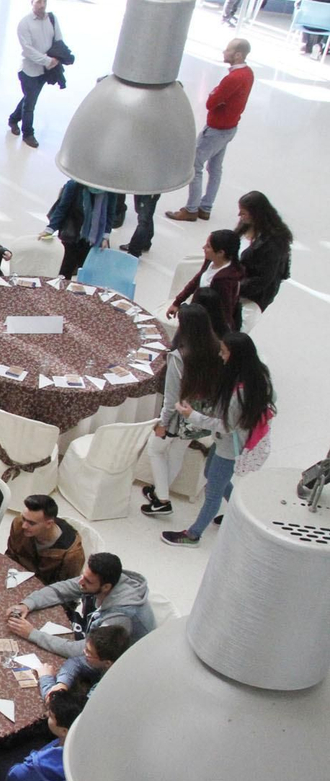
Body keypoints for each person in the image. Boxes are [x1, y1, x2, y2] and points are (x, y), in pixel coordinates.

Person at [162, 331, 274, 547]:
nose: (221, 356)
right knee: (211, 475)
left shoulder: (238, 395)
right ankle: (235, 511)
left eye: (224, 352)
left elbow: (226, 425)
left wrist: (191, 416)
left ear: (236, 355)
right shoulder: (258, 375)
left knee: (212, 493)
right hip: (233, 441)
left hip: (229, 446)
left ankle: (193, 535)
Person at [142, 305, 226, 517]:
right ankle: (160, 491)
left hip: (179, 416)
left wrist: (162, 422)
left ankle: (162, 499)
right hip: (201, 417)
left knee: (155, 450)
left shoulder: (179, 357)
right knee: (177, 452)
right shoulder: (217, 349)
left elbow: (171, 398)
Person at [6, 551, 156, 658]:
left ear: (106, 587)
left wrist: (32, 633)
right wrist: (27, 604)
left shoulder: (121, 618)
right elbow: (62, 589)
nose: (80, 583)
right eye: (83, 576)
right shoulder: (100, 579)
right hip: (85, 631)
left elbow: (82, 650)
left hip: (112, 662)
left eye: (87, 581)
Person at [167, 40, 254, 223]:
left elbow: (211, 102)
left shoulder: (233, 78)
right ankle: (206, 207)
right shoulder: (248, 74)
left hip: (216, 130)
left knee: (195, 166)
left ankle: (191, 208)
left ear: (238, 54)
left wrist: (214, 97)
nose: (224, 51)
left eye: (228, 49)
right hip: (229, 128)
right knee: (215, 168)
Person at [7, 0, 61, 149]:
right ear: (32, 2)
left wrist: (57, 57)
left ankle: (13, 118)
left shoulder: (52, 19)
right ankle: (28, 133)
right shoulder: (25, 24)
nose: (42, 4)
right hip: (29, 72)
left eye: (45, 1)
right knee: (30, 103)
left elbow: (58, 39)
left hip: (45, 71)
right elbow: (28, 50)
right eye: (39, 1)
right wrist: (47, 61)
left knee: (29, 98)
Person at [234, 190, 293, 321]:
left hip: (252, 294)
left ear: (255, 214)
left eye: (243, 212)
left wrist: (233, 287)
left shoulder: (272, 244)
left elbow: (262, 279)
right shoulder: (246, 226)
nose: (239, 215)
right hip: (237, 279)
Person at [165, 230, 243, 326]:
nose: (203, 248)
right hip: (196, 313)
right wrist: (177, 302)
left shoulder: (224, 281)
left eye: (208, 246)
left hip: (206, 325)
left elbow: (224, 311)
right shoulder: (210, 261)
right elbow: (196, 281)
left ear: (220, 253)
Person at [5, 494, 85, 585]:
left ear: (49, 524)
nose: (24, 526)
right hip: (16, 579)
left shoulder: (71, 555)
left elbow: (66, 589)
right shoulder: (18, 524)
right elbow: (10, 556)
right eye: (24, 519)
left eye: (31, 523)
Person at [39, 623, 131, 697]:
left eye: (89, 653)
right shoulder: (111, 662)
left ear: (107, 663)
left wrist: (46, 678)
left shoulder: (104, 690)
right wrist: (62, 684)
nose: (84, 652)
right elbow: (75, 662)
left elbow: (60, 711)